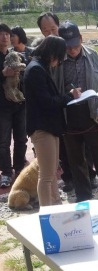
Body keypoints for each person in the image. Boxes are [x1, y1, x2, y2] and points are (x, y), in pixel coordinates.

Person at [52, 21, 98, 209]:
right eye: (68, 47)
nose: (72, 50)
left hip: (93, 114)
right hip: (69, 116)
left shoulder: (92, 55)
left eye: (75, 45)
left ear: (81, 39)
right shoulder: (56, 61)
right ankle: (84, 200)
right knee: (77, 163)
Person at [36, 12, 96, 193]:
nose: (50, 33)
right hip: (58, 109)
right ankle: (69, 177)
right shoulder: (43, 55)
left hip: (80, 106)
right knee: (64, 147)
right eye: (45, 31)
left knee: (85, 146)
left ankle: (89, 176)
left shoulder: (72, 50)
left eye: (53, 29)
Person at [24, 35, 81, 206]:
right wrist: (69, 96)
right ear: (52, 54)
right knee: (47, 175)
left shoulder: (39, 67)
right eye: (60, 57)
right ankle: (47, 212)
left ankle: (55, 205)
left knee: (51, 173)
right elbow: (47, 102)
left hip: (50, 127)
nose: (60, 62)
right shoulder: (36, 70)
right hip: (43, 128)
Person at [0, 23, 28, 188]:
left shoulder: (15, 55)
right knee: (3, 142)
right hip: (2, 106)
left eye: (7, 34)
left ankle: (18, 168)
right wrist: (2, 75)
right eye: (1, 34)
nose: (4, 37)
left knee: (21, 139)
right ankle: (5, 172)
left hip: (19, 104)